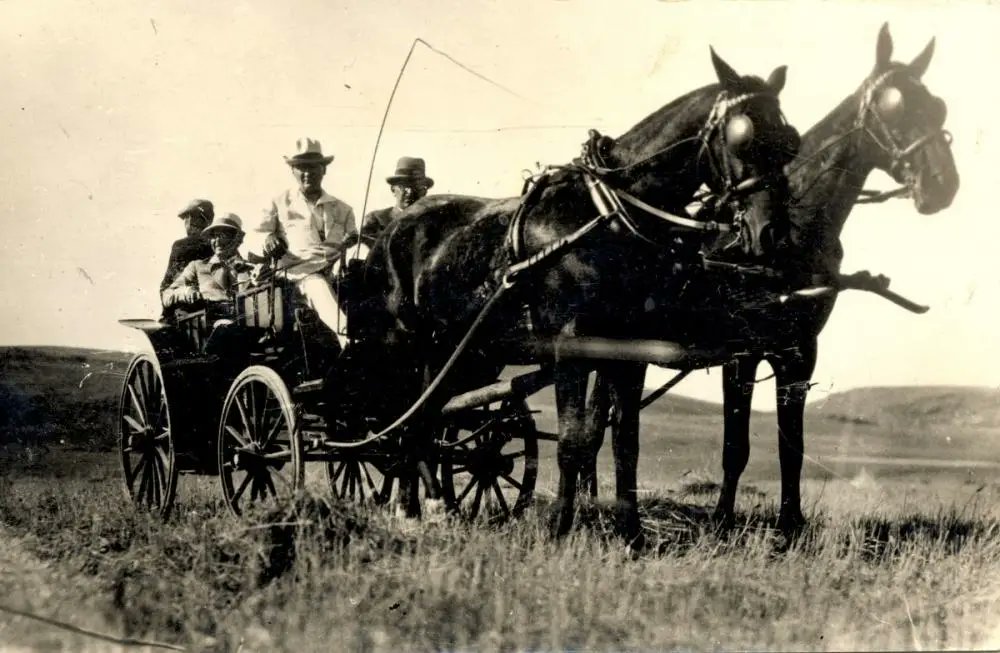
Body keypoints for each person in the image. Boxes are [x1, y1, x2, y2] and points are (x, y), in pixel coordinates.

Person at [257, 137, 357, 350]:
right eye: (301, 167)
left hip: (338, 270)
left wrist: (350, 247)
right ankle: (348, 340)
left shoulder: (343, 208)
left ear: (324, 170)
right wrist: (268, 239)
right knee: (317, 285)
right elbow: (259, 238)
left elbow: (355, 241)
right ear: (292, 171)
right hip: (299, 275)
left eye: (313, 167)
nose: (307, 173)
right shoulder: (278, 203)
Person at [161, 213, 251, 319]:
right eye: (214, 236)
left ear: (237, 240)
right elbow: (167, 295)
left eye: (223, 236)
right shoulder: (197, 266)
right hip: (210, 329)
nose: (217, 241)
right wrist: (186, 292)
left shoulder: (250, 268)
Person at [360, 156, 434, 244]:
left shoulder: (432, 224)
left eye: (415, 187)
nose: (410, 192)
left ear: (424, 192)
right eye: (404, 186)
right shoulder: (377, 220)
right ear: (393, 190)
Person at [159, 199, 214, 293]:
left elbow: (167, 286)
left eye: (185, 218)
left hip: (191, 304)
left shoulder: (181, 245)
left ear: (190, 218)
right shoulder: (223, 246)